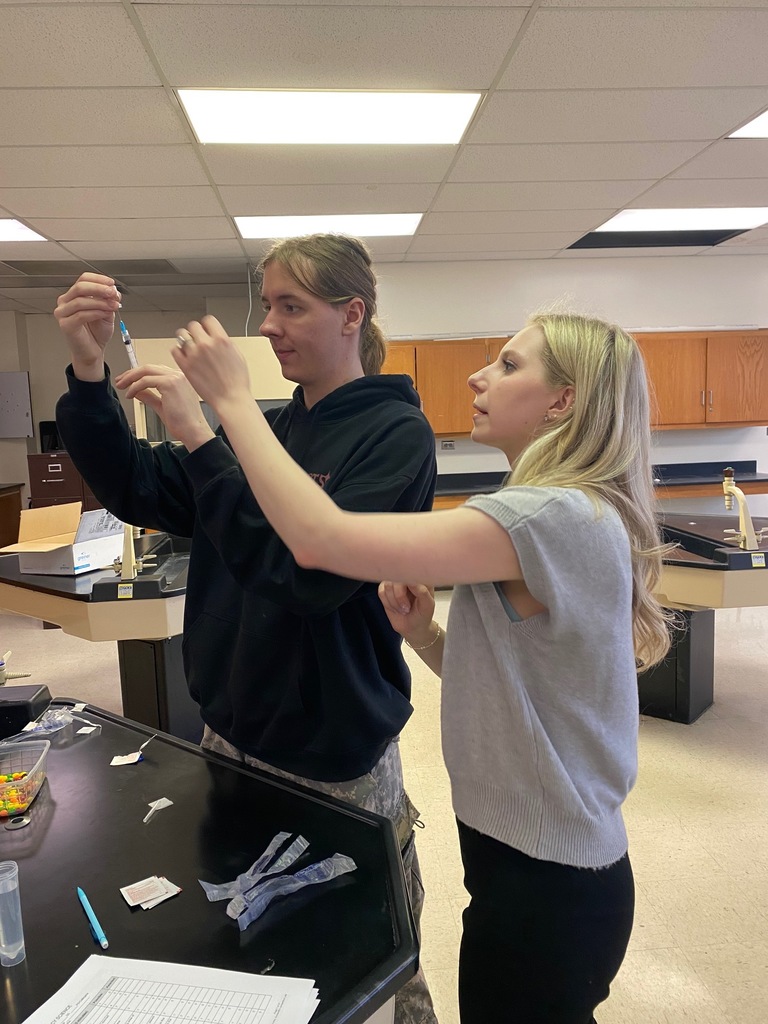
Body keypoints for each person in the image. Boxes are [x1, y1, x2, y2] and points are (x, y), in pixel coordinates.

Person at [163, 308, 673, 1024]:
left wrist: (229, 406)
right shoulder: (565, 515)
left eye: (509, 364)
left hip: (549, 883)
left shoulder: (547, 514)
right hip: (527, 867)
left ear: (563, 401)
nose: (479, 375)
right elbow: (532, 692)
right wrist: (427, 634)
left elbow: (319, 539)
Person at [53, 234, 439, 1024]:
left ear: (351, 314)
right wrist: (89, 369)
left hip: (334, 754)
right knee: (255, 952)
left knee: (365, 961)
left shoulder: (394, 436)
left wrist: (203, 431)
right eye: (267, 305)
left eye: (292, 306)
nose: (269, 325)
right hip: (230, 737)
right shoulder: (263, 426)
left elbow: (310, 576)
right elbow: (133, 485)